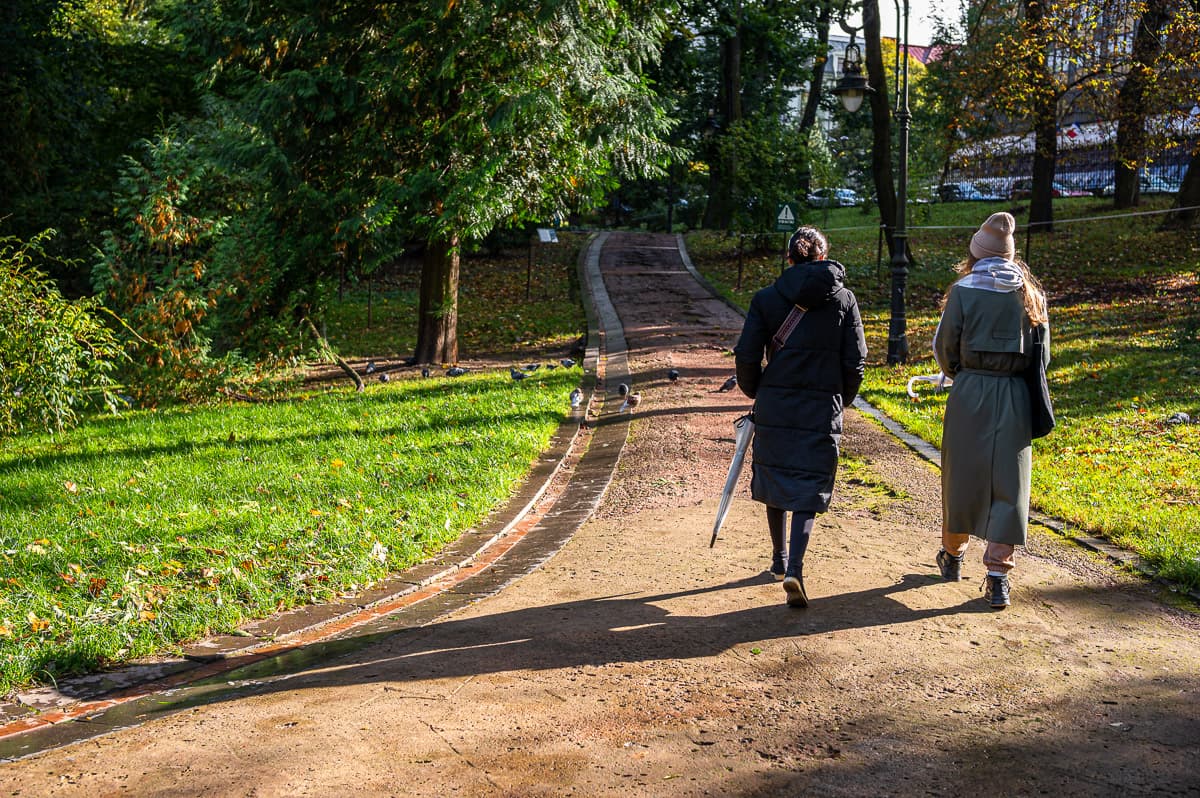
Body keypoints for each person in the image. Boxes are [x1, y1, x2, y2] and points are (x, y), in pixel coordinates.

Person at [733, 226, 868, 607]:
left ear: (789, 258)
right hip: (822, 404)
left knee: (776, 473)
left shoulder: (766, 298)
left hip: (775, 401)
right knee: (810, 480)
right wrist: (842, 398)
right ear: (823, 258)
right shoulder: (844, 300)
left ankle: (777, 560)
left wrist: (757, 390)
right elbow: (856, 360)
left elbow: (746, 354)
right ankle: (795, 567)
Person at [932, 211, 1049, 609]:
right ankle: (998, 576)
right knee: (1009, 485)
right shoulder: (1031, 296)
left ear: (976, 254)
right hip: (1015, 394)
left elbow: (945, 347)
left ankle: (953, 554)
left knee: (961, 479)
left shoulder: (963, 290)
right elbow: (1043, 357)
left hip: (970, 391)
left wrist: (961, 374)